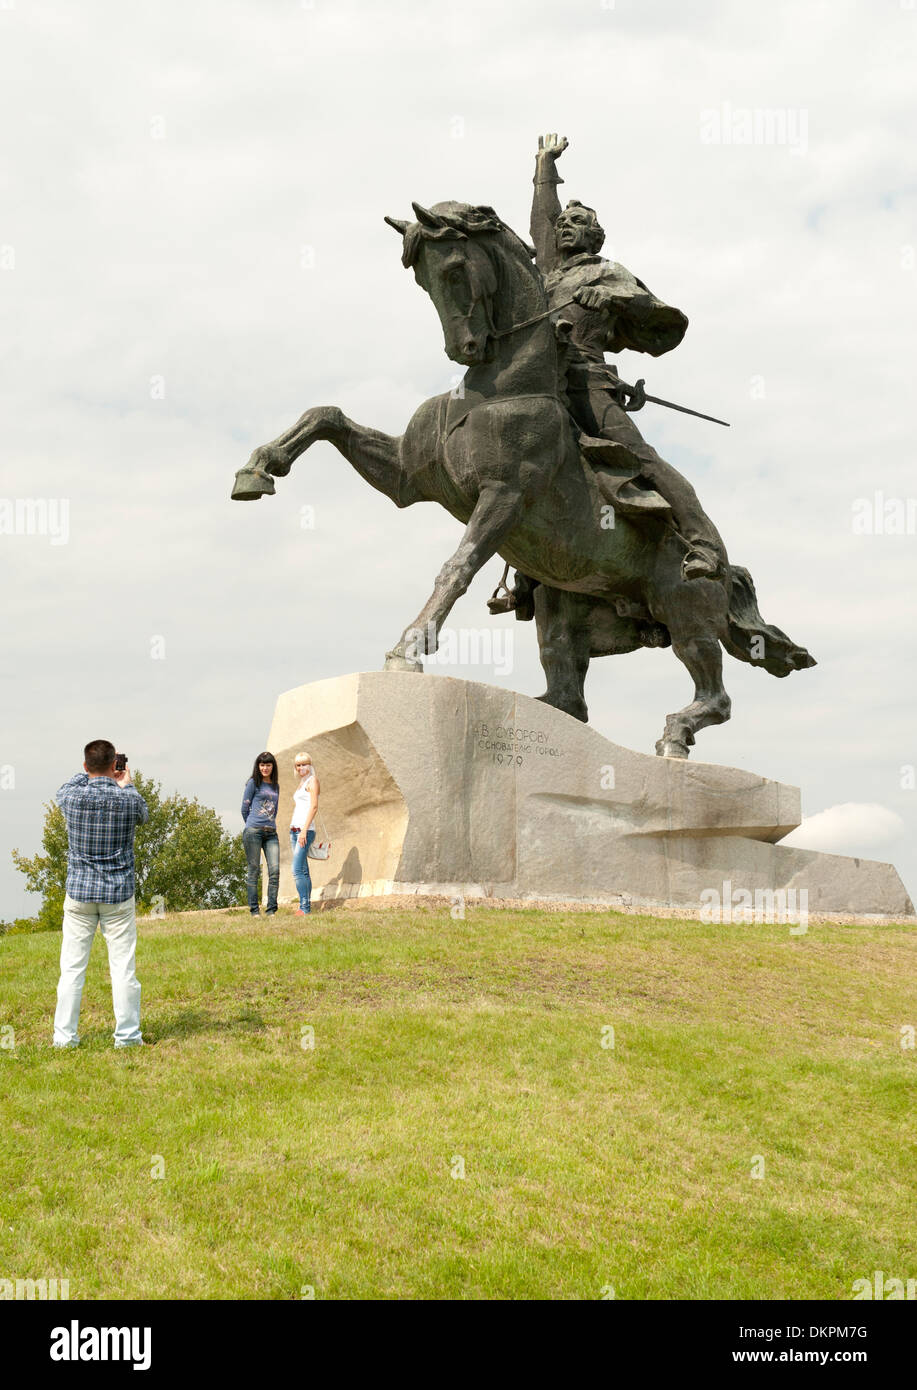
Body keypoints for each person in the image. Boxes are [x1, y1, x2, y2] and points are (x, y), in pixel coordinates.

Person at [528, 132, 726, 584]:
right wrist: (544, 167)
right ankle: (528, 574)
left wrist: (615, 301)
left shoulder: (608, 271)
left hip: (586, 384)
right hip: (542, 383)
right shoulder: (548, 271)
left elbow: (664, 320)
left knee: (641, 459)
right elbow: (543, 217)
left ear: (594, 236)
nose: (562, 226)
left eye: (574, 221)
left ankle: (703, 544)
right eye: (563, 222)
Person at [53, 740, 149, 1049]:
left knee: (72, 970)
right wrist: (126, 783)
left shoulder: (72, 797)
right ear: (115, 765)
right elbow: (143, 815)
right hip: (117, 893)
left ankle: (64, 1038)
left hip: (80, 892)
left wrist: (94, 774)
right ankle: (128, 1036)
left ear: (85, 766)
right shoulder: (127, 799)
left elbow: (66, 787)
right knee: (122, 968)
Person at [241, 752, 280, 916]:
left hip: (271, 833)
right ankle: (254, 911)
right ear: (258, 766)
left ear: (273, 767)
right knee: (254, 870)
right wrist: (252, 825)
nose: (265, 768)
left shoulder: (275, 786)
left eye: (268, 765)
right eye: (262, 765)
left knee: (275, 870)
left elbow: (275, 809)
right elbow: (244, 809)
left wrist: (268, 823)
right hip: (253, 832)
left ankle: (271, 910)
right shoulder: (253, 783)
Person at [289, 752, 320, 916]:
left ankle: (304, 907)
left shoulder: (312, 781)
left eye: (304, 764)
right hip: (294, 830)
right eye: (298, 765)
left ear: (310, 765)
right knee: (303, 870)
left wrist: (304, 831)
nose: (301, 767)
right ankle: (306, 906)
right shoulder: (302, 783)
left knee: (296, 870)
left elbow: (314, 807)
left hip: (304, 831)